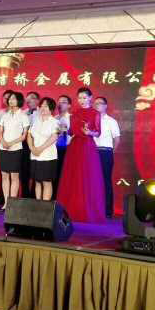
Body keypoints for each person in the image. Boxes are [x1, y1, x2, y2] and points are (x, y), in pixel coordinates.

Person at [56, 87, 106, 223]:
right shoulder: (74, 113)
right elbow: (72, 132)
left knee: (86, 178)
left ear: (90, 98)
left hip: (87, 147)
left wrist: (90, 132)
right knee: (73, 177)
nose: (82, 100)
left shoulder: (95, 113)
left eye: (84, 97)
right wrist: (64, 130)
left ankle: (86, 211)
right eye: (80, 98)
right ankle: (69, 210)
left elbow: (98, 132)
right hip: (74, 146)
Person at [0, 91, 29, 211]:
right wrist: (3, 142)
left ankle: (12, 203)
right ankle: (6, 202)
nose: (11, 101)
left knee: (14, 176)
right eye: (10, 99)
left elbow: (24, 135)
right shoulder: (5, 115)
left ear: (19, 101)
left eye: (14, 99)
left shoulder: (23, 116)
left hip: (16, 148)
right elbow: (0, 132)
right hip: (3, 148)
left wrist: (10, 143)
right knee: (4, 175)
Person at [27, 97, 60, 201]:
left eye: (45, 106)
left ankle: (45, 206)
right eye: (41, 106)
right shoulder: (35, 121)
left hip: (48, 156)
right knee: (37, 181)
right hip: (35, 155)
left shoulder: (56, 122)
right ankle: (38, 204)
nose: (42, 108)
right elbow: (29, 135)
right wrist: (32, 148)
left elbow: (54, 137)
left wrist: (40, 149)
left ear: (51, 108)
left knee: (46, 181)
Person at [94, 96, 121, 219]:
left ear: (106, 106)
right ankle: (94, 208)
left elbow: (117, 140)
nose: (97, 105)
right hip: (91, 153)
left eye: (100, 103)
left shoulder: (111, 121)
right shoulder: (90, 119)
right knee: (92, 181)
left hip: (105, 152)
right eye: (95, 103)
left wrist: (110, 152)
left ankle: (107, 210)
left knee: (105, 181)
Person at [22, 91, 40, 197]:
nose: (29, 101)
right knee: (24, 170)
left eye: (32, 98)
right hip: (25, 144)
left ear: (38, 100)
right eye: (27, 99)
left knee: (36, 170)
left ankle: (34, 195)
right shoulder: (23, 113)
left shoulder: (42, 113)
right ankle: (25, 194)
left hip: (37, 145)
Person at [54, 94, 72, 198]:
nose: (61, 104)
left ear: (69, 105)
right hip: (54, 149)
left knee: (65, 175)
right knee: (55, 174)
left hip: (67, 149)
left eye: (64, 102)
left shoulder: (72, 118)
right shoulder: (54, 118)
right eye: (59, 102)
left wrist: (66, 131)